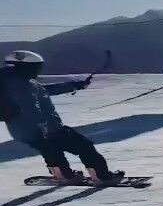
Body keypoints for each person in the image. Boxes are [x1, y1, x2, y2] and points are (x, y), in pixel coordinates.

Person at [1, 50, 123, 185]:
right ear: (24, 67)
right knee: (84, 146)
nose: (38, 70)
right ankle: (102, 177)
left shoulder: (21, 82)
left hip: (24, 132)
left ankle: (64, 175)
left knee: (52, 151)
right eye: (35, 67)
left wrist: (75, 85)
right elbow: (30, 109)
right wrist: (44, 128)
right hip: (45, 129)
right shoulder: (20, 85)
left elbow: (46, 91)